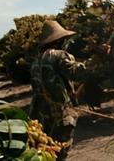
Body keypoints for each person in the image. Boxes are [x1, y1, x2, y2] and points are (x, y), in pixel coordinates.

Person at [29, 20, 86, 160]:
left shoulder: (37, 60)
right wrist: (94, 61)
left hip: (39, 112)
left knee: (43, 150)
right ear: (59, 40)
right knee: (59, 149)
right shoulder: (59, 55)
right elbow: (76, 73)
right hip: (59, 113)